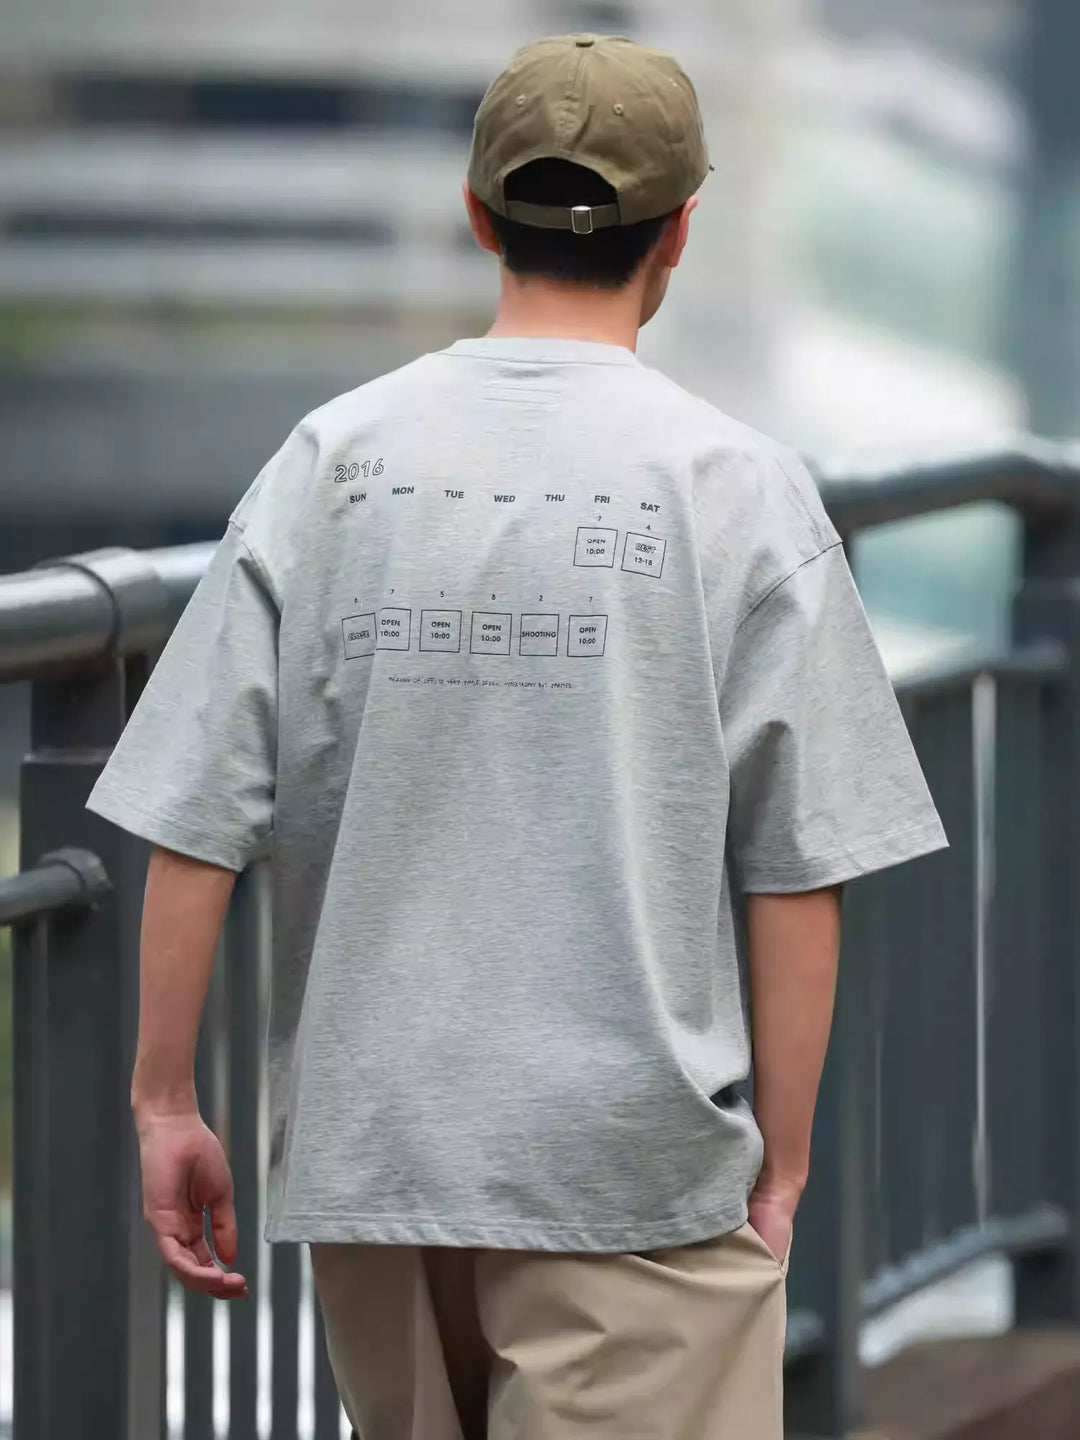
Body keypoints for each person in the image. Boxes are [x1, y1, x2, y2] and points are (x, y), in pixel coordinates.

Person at [87, 33, 947, 1440]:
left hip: (376, 1154)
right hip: (631, 1168)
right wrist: (781, 1165)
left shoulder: (333, 460)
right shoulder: (739, 486)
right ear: (679, 232)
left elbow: (198, 808)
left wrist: (166, 1101)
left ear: (481, 217)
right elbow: (801, 866)